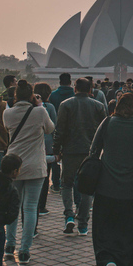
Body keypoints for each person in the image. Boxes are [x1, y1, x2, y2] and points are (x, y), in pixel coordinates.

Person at [90, 93, 133, 266]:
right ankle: (125, 265)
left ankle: (107, 260)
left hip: (105, 189)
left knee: (104, 229)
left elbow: (93, 150)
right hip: (132, 191)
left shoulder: (107, 122)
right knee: (128, 234)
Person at [2, 80, 54, 264]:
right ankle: (24, 250)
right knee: (30, 207)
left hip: (13, 165)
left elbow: (7, 130)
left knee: (13, 206)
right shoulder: (40, 111)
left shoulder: (7, 113)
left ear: (16, 95)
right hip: (35, 165)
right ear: (32, 95)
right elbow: (50, 128)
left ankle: (10, 245)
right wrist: (40, 105)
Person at [53, 78, 107, 237]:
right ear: (90, 90)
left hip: (70, 151)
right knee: (87, 187)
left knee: (66, 184)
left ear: (75, 88)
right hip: (90, 152)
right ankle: (83, 223)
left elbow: (59, 130)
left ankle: (69, 215)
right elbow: (104, 131)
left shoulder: (66, 105)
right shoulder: (98, 106)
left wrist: (56, 149)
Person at [34, 83, 57, 215]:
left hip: (32, 145)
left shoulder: (29, 107)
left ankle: (33, 203)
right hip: (47, 145)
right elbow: (54, 126)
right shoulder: (50, 107)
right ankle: (41, 205)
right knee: (45, 175)